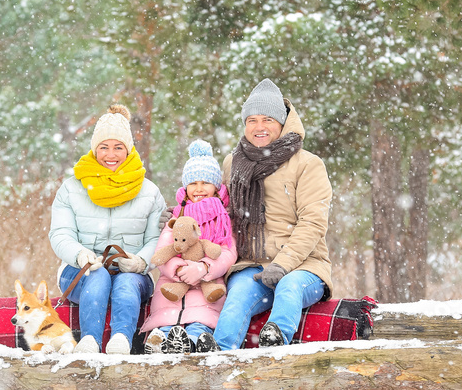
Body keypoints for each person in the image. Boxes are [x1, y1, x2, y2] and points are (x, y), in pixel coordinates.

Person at [194, 79, 333, 352]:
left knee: (289, 287)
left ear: (282, 124)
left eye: (268, 119)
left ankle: (276, 344)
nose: (259, 127)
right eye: (252, 120)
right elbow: (217, 212)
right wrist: (182, 216)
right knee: (238, 297)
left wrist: (281, 265)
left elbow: (313, 222)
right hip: (251, 265)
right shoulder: (233, 163)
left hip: (303, 266)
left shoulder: (308, 164)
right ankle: (218, 356)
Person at [49, 104, 167, 354]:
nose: (110, 154)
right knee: (98, 276)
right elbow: (60, 234)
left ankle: (121, 340)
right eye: (104, 147)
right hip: (79, 270)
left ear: (128, 149)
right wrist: (80, 254)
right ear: (94, 149)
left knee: (125, 283)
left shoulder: (149, 192)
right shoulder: (71, 189)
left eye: (118, 147)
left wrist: (141, 262)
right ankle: (89, 340)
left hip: (133, 272)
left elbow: (157, 238)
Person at [139, 140, 238, 354]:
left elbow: (228, 252)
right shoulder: (177, 217)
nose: (199, 189)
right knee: (166, 321)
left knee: (200, 320)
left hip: (207, 286)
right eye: (193, 183)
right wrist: (178, 270)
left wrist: (203, 268)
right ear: (185, 188)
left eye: (205, 183)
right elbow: (163, 250)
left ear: (216, 187)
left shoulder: (223, 218)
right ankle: (161, 339)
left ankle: (194, 339)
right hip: (172, 287)